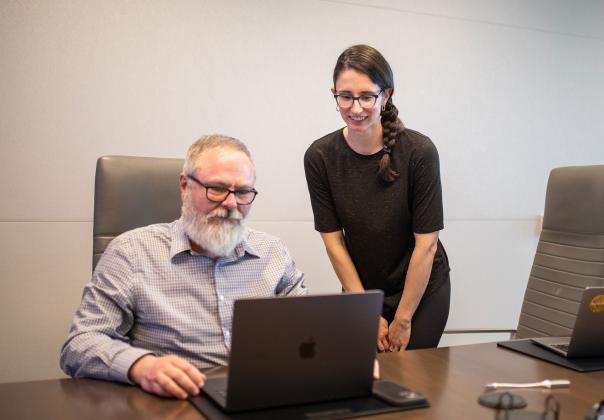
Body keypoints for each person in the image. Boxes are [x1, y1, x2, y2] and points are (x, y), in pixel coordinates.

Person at [61, 134, 306, 399]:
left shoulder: (272, 252)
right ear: (184, 185)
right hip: (176, 400)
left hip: (262, 394)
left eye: (243, 192)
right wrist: (142, 366)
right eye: (217, 188)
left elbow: (308, 332)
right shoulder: (131, 252)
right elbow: (80, 345)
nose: (231, 204)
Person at [304, 45, 450, 353]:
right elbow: (333, 242)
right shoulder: (320, 157)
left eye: (366, 96)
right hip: (361, 288)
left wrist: (404, 319)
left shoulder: (419, 153)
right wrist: (364, 309)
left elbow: (427, 244)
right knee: (361, 380)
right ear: (334, 94)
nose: (355, 108)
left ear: (385, 95)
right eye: (345, 96)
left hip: (419, 290)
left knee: (412, 379)